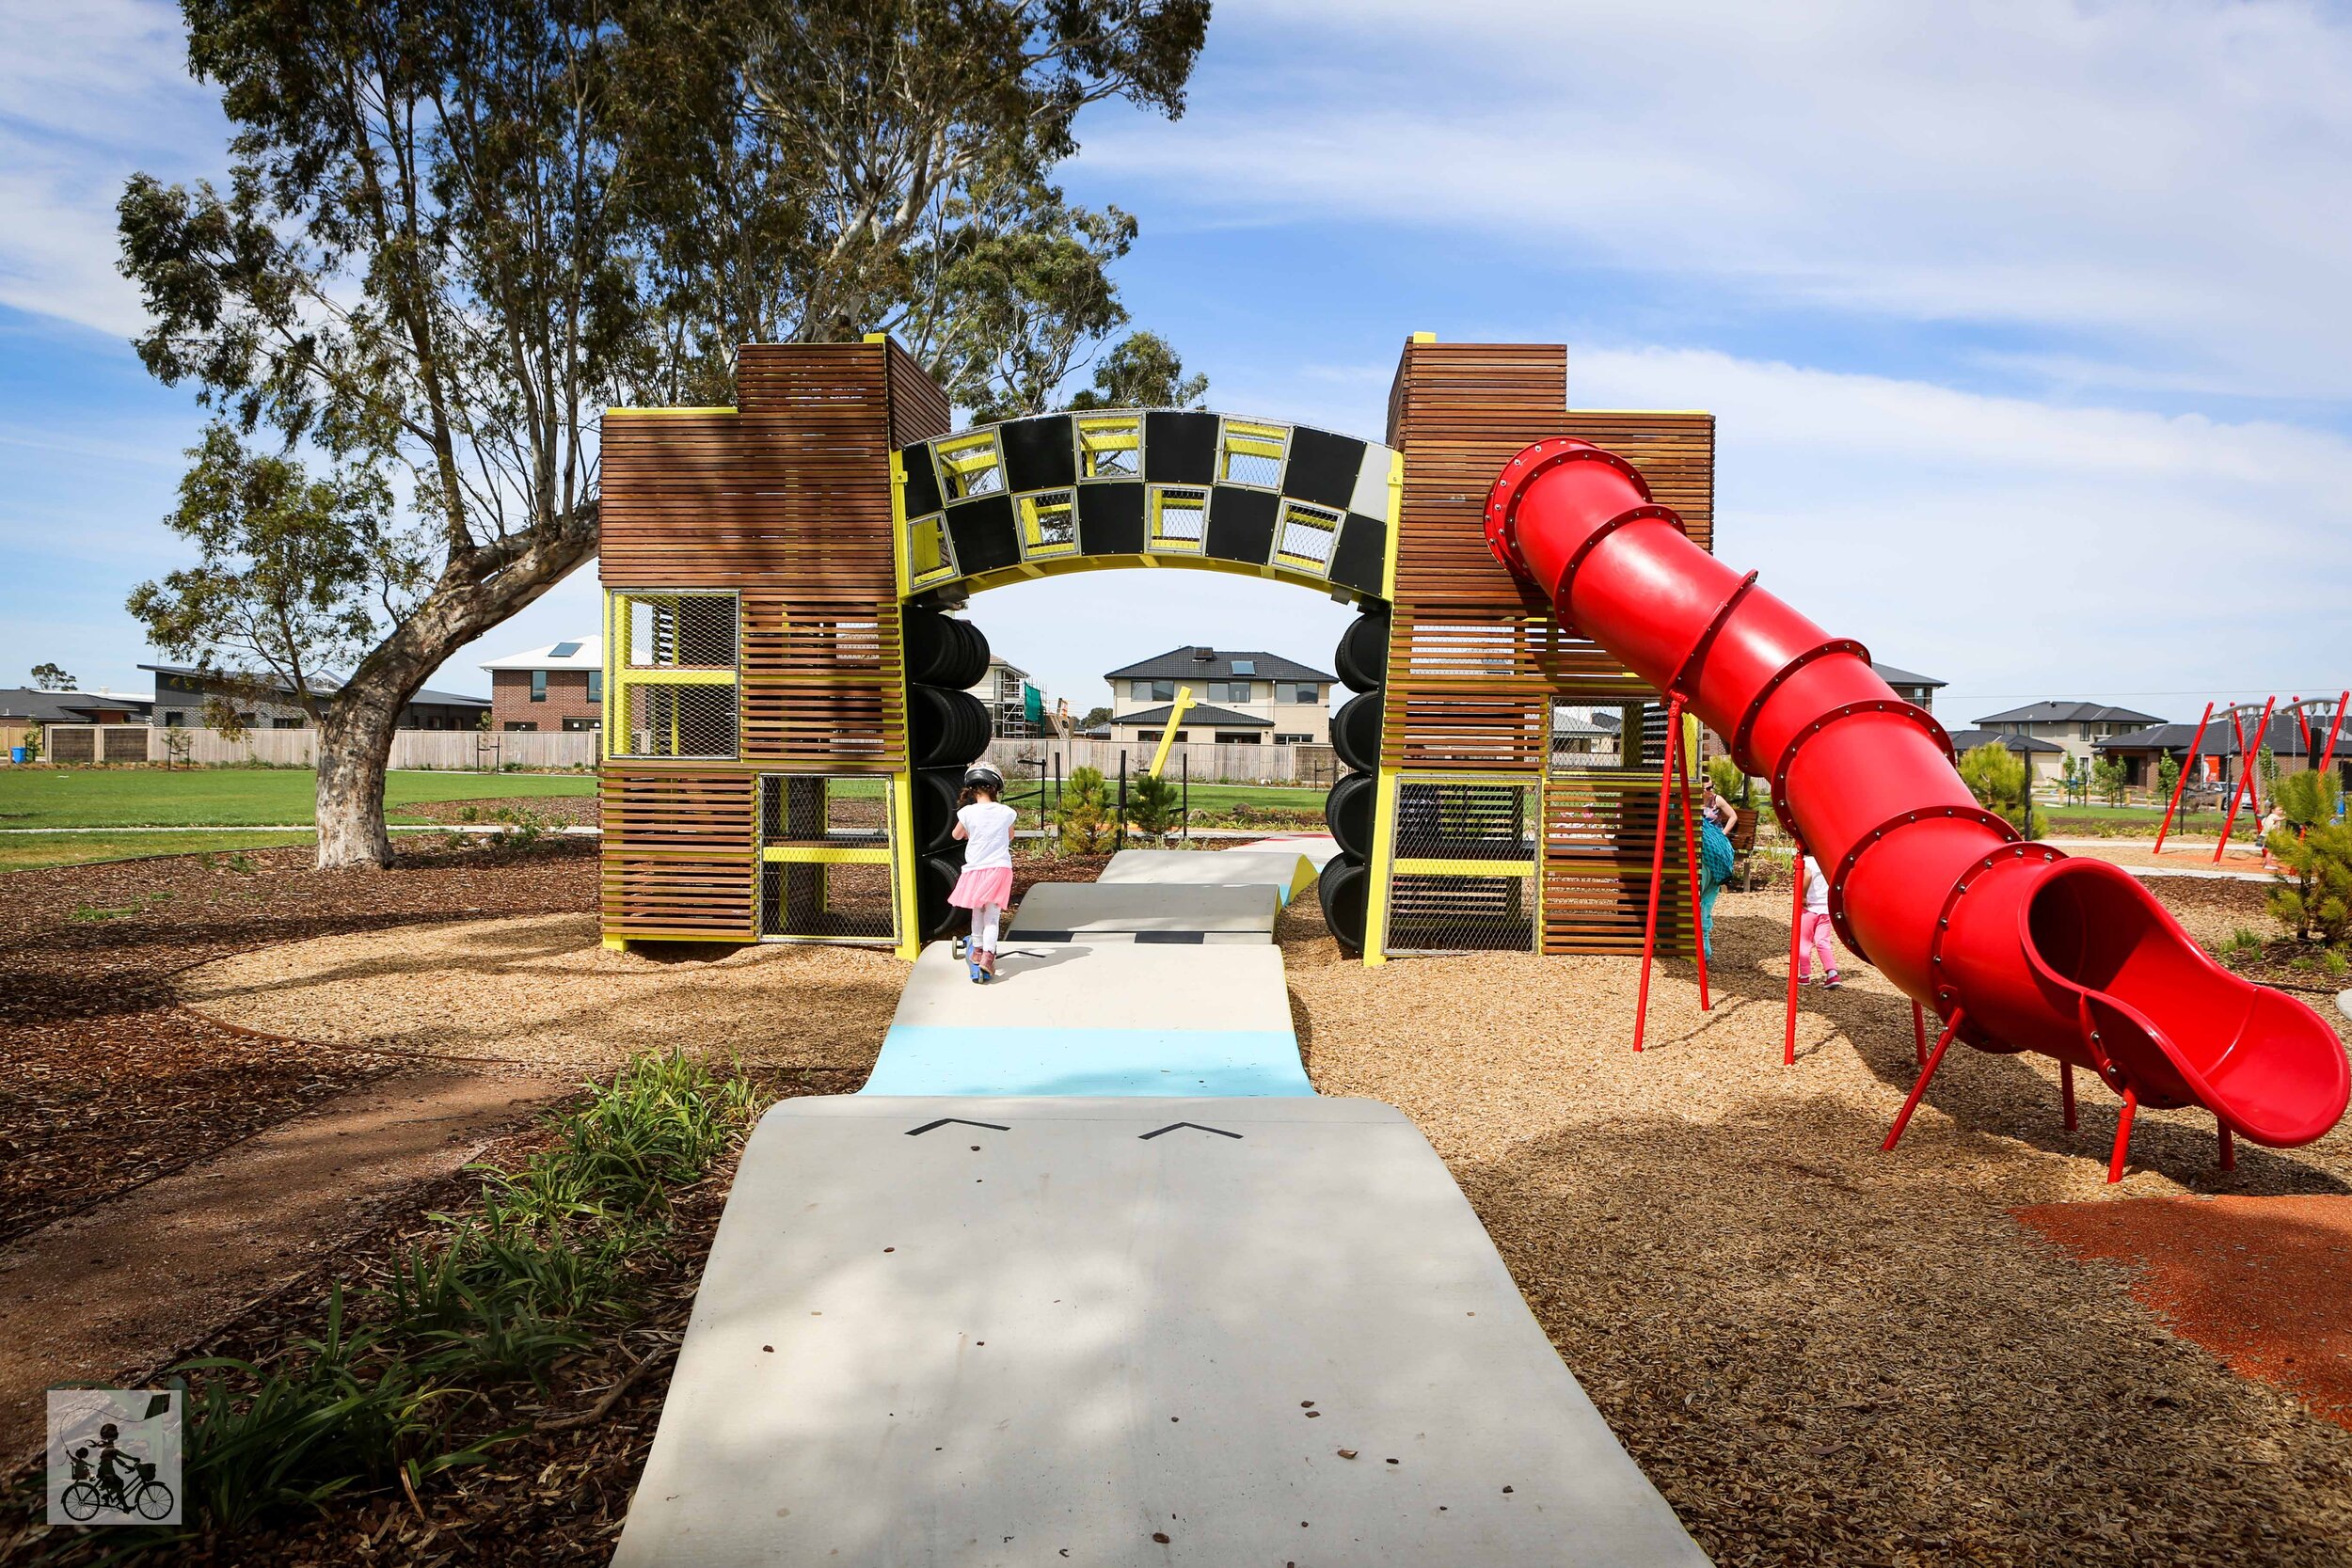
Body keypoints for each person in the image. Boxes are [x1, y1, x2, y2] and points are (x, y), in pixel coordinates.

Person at [948, 764, 1016, 983]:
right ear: (996, 787)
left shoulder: (967, 812)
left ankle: (977, 951)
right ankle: (988, 955)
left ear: (971, 788)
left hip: (975, 870)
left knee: (977, 911)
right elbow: (1011, 836)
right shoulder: (1006, 812)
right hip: (999, 869)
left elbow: (956, 836)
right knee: (992, 917)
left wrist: (971, 831)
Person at [1797, 853, 1840, 988]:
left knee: (1804, 941)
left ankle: (1804, 975)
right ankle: (1832, 973)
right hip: (1825, 908)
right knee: (1823, 941)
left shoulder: (1807, 861)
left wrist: (1803, 896)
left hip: (1810, 908)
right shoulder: (1826, 860)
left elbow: (1807, 875)